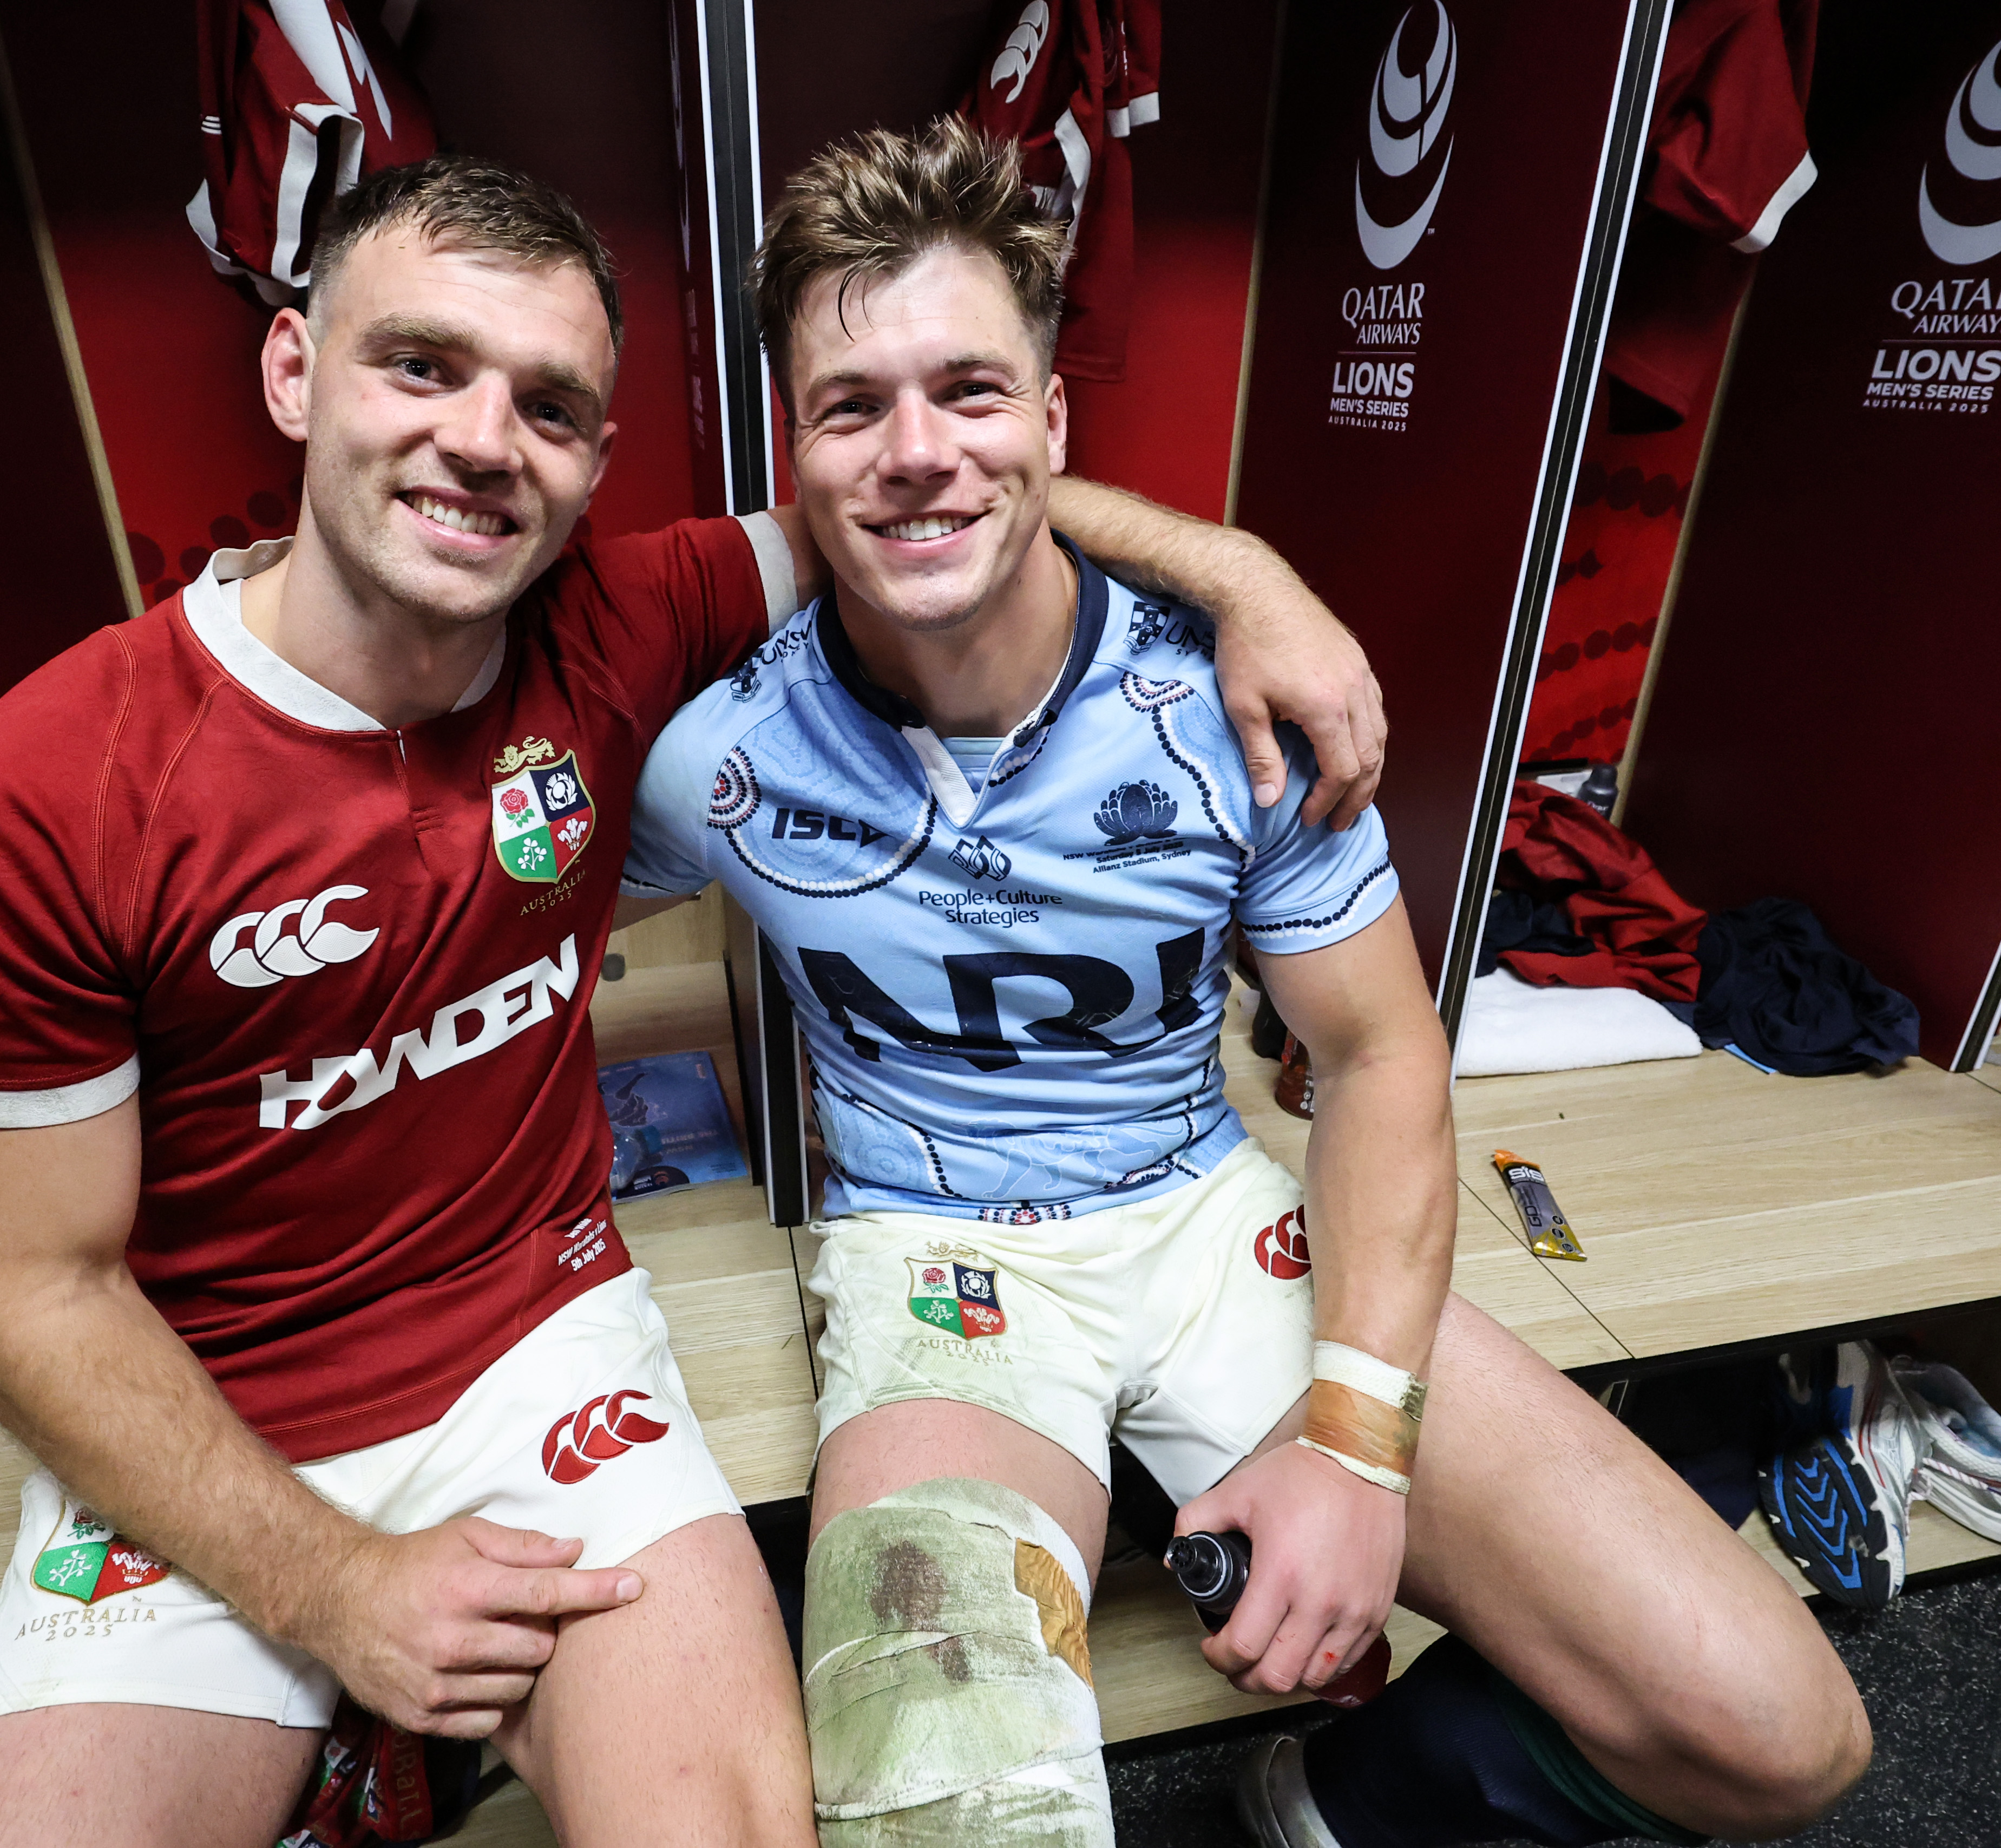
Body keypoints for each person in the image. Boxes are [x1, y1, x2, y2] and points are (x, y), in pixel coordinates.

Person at [0, 152, 1383, 1848]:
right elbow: (26, 1286)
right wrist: (328, 1586)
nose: (480, 439)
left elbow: (927, 496)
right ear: (292, 370)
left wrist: (1246, 571)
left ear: (593, 461)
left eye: (550, 404)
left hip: (540, 1352)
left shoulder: (615, 618)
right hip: (203, 1417)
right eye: (420, 365)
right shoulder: (38, 790)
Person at [621, 118, 1871, 1848]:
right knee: (947, 1822)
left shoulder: (1230, 702)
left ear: (1053, 425)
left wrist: (1356, 1447)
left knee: (1774, 1733)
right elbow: (461, 870)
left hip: (1210, 1222)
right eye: (853, 409)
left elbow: (1372, 1053)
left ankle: (1359, 1798)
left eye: (972, 392)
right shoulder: (709, 736)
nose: (916, 452)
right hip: (932, 1269)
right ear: (796, 453)